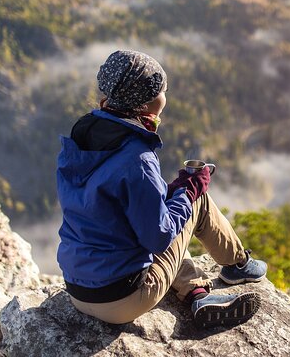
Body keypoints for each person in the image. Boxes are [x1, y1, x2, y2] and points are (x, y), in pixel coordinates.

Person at [56, 50, 267, 328]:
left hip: (79, 290)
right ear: (149, 103)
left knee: (169, 205)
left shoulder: (81, 137)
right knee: (196, 203)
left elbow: (117, 207)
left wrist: (173, 193)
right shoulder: (137, 157)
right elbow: (159, 237)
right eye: (163, 91)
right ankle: (237, 265)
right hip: (123, 299)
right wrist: (190, 189)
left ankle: (197, 294)